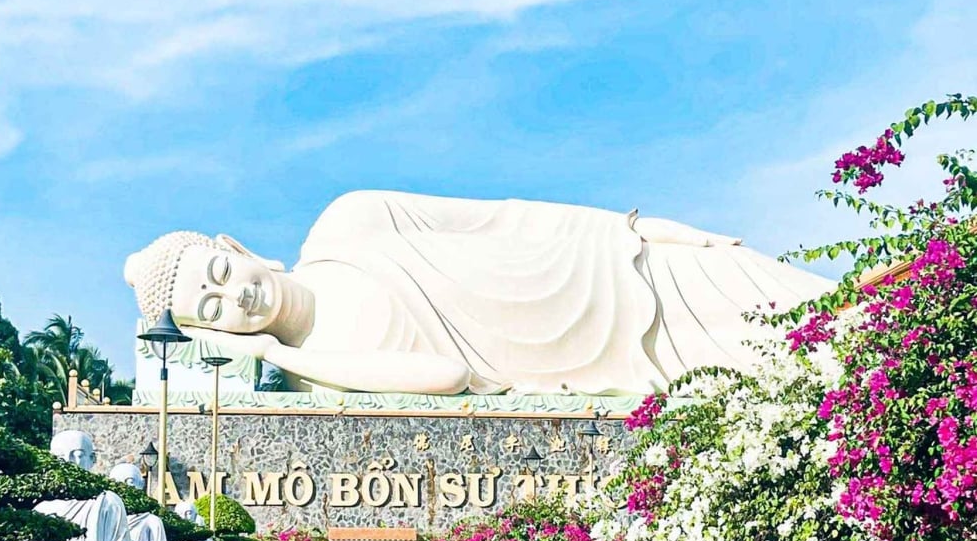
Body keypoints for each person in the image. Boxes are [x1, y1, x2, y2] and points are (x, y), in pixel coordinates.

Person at [123, 191, 833, 395]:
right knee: (791, 366)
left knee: (815, 308)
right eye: (212, 313)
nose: (235, 298)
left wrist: (641, 230)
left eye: (221, 276)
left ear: (238, 250)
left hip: (610, 266)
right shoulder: (330, 362)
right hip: (607, 360)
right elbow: (448, 375)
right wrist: (286, 354)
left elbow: (510, 216)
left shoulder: (349, 221)